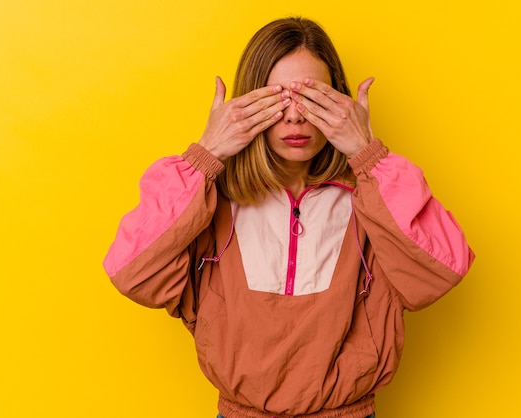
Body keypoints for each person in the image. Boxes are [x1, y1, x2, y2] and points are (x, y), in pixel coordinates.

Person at [103, 16, 475, 418]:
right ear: (246, 103)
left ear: (341, 104)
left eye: (313, 98)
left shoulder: (373, 197)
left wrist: (368, 155)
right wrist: (206, 156)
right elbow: (131, 272)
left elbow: (442, 271)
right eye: (277, 98)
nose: (296, 117)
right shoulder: (213, 199)